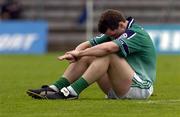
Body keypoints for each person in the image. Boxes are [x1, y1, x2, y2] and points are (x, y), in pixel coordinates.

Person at [27, 9, 156, 100]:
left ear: (122, 24)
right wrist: (77, 53)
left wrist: (80, 53)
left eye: (113, 34)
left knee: (108, 54)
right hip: (119, 87)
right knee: (89, 54)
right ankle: (55, 88)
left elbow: (108, 48)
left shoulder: (136, 33)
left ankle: (71, 92)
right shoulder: (117, 31)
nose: (111, 37)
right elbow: (86, 44)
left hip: (141, 88)